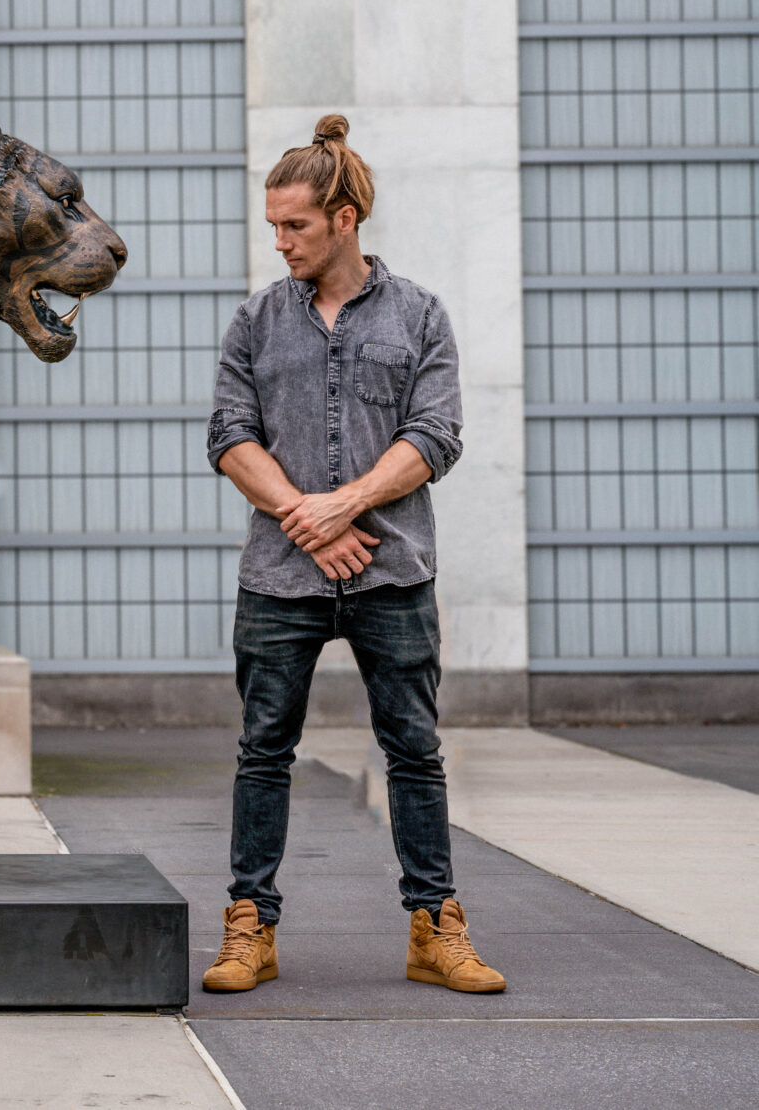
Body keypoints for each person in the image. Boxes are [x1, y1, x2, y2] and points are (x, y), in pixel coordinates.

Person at [199, 115, 505, 996]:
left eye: (294, 225)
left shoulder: (420, 315)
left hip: (393, 570)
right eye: (273, 226)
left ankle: (435, 929)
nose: (280, 241)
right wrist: (310, 517)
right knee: (264, 750)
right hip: (280, 576)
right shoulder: (256, 321)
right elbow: (229, 437)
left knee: (414, 751)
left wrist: (346, 504)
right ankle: (250, 927)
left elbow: (436, 437)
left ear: (344, 218)